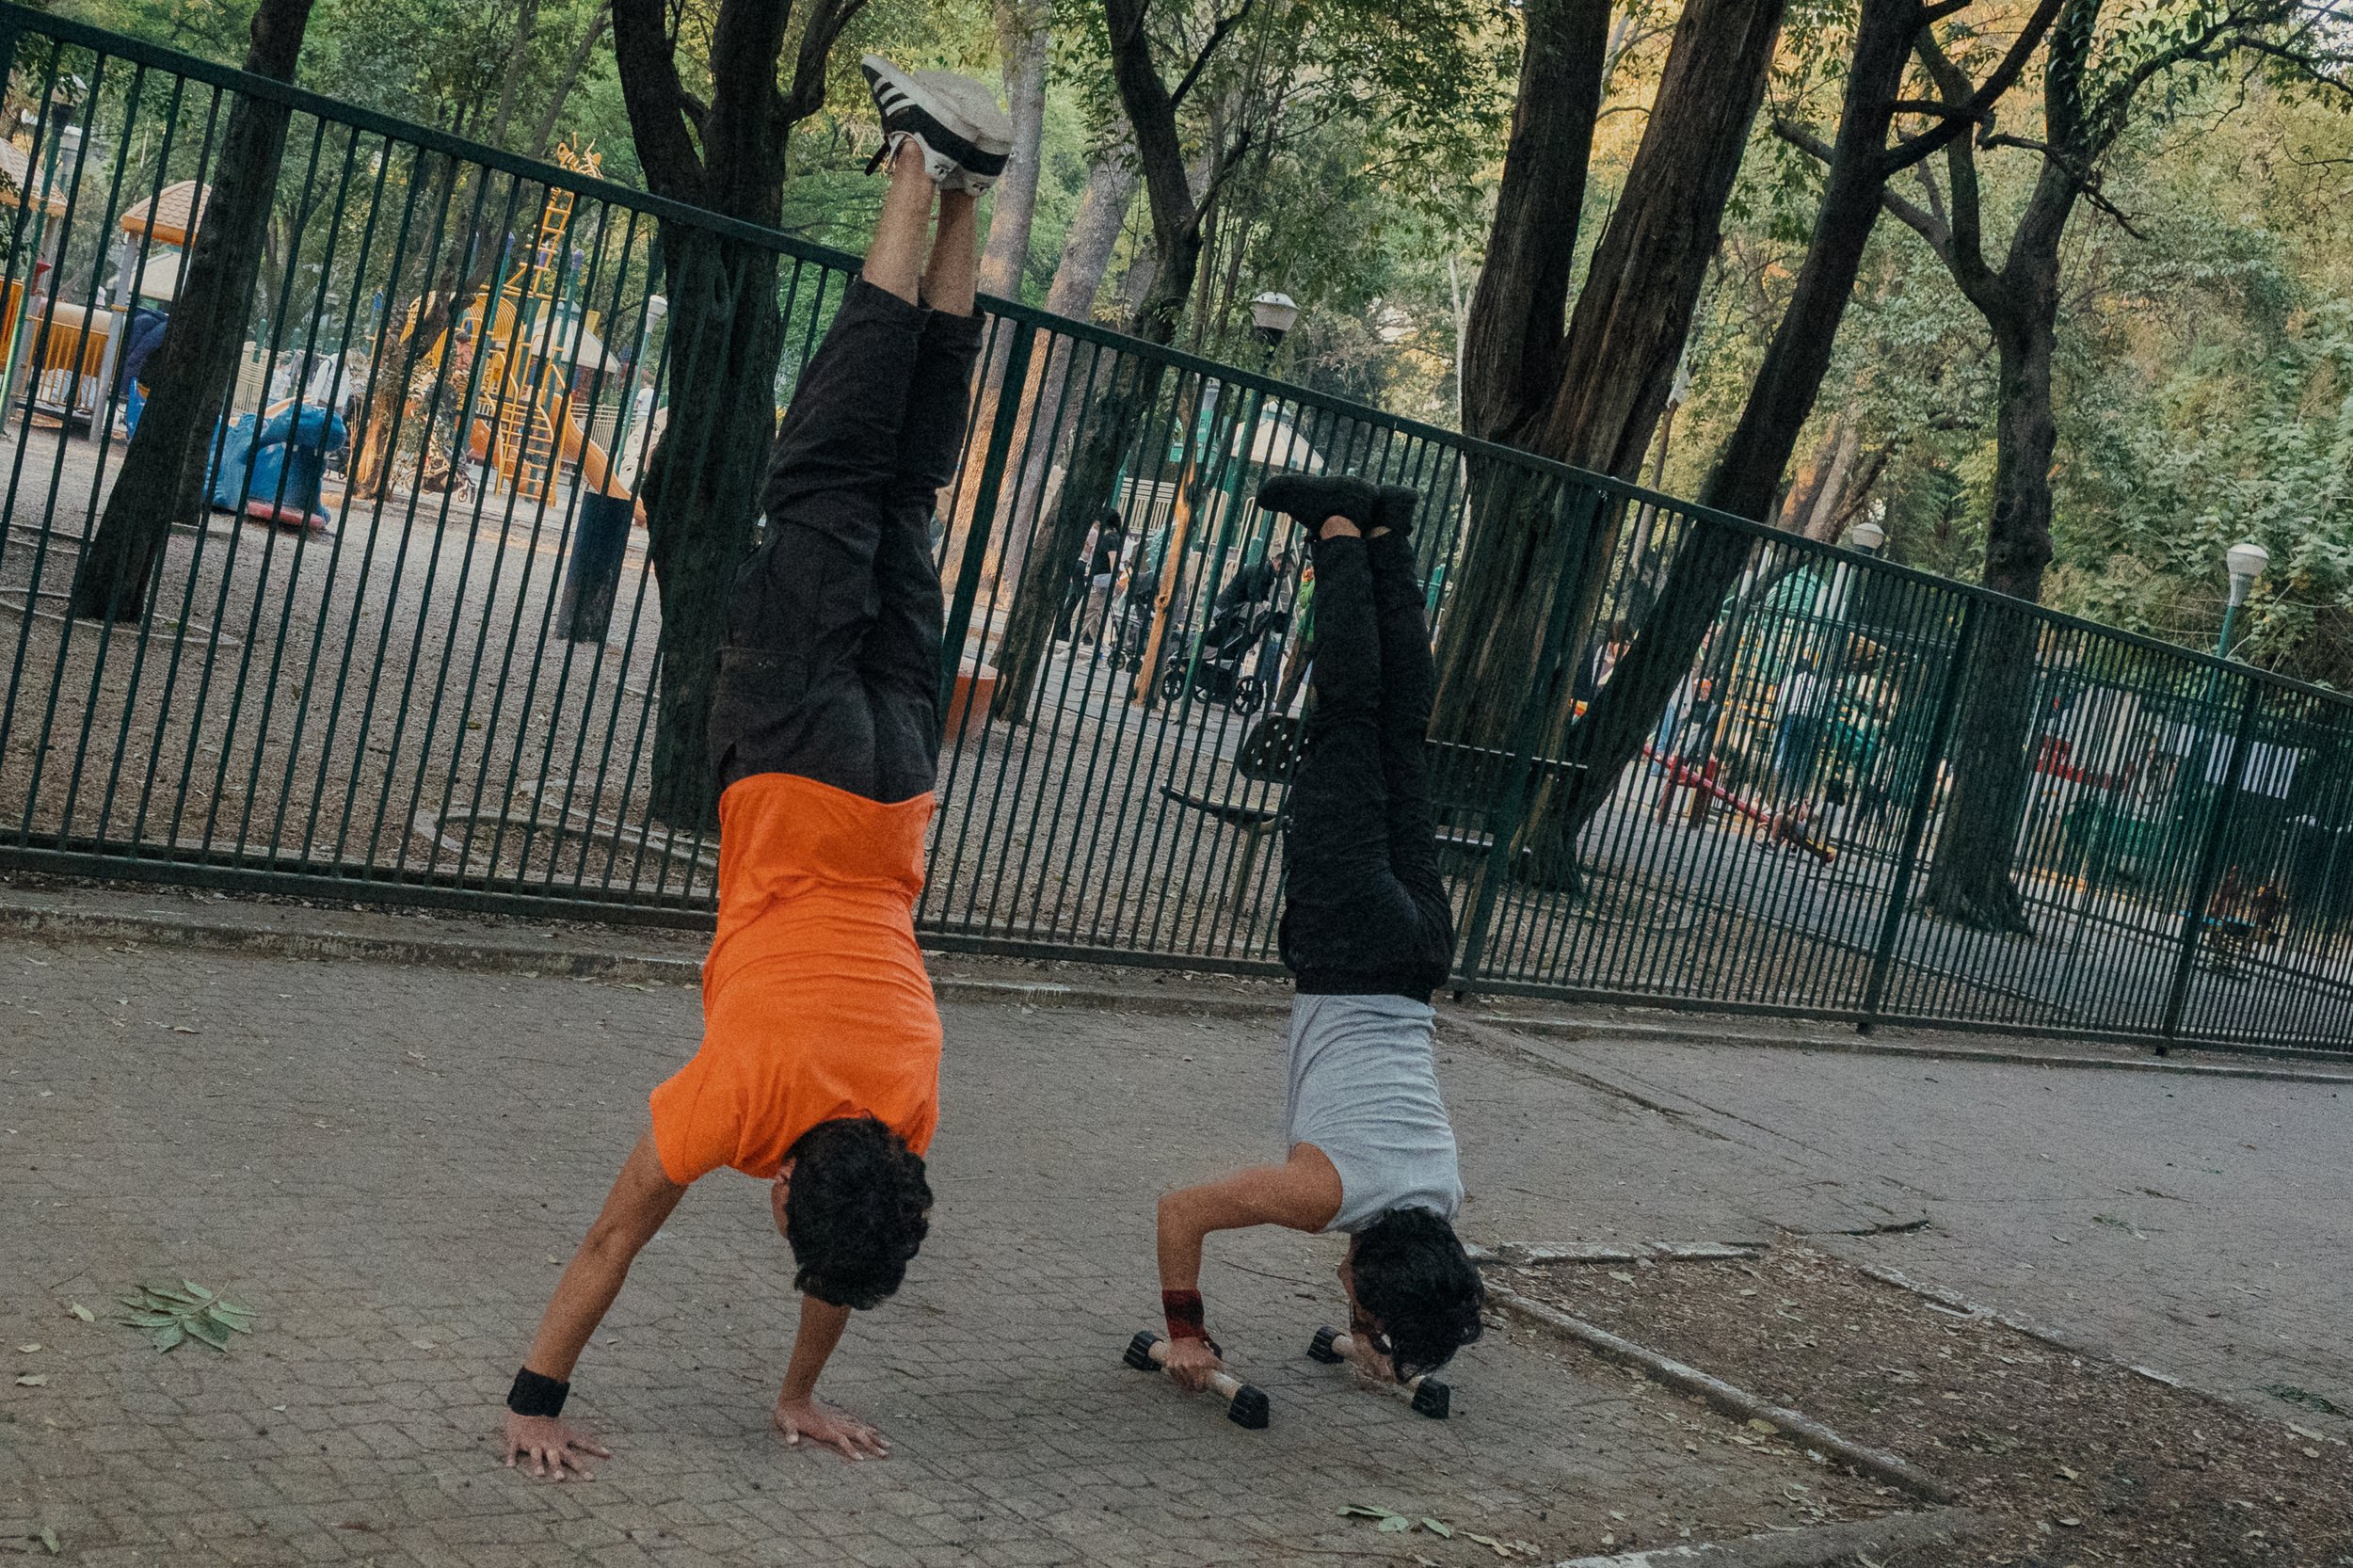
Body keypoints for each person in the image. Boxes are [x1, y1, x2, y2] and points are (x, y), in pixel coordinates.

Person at [497, 56, 1013, 1481]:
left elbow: (855, 1240)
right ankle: (920, 165)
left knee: (904, 490)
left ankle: (969, 192)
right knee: (828, 475)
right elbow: (613, 1237)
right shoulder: (737, 1099)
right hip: (789, 767)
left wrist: (801, 1388)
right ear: (781, 1201)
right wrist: (535, 1395)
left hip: (903, 785)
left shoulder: (911, 1101)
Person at [1152, 474, 1484, 1398]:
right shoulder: (1319, 1199)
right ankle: (1336, 526)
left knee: (1397, 735)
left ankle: (1389, 534)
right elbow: (1179, 1213)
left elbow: (1409, 1270)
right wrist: (1187, 1331)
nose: (1356, 1303)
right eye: (1365, 1308)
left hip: (1421, 957)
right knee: (1345, 718)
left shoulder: (1439, 1200)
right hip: (1348, 943)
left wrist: (1380, 1330)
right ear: (1369, 1281)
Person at [1080, 509, 1126, 649]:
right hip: (1101, 580)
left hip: (1101, 582)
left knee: (1080, 617)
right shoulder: (1116, 537)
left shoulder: (1109, 538)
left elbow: (1113, 560)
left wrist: (1114, 580)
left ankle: (1071, 649)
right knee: (1096, 618)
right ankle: (1099, 650)